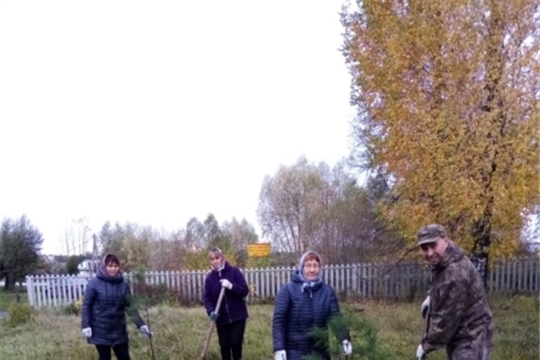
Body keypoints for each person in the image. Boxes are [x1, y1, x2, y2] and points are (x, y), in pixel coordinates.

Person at [415, 224, 494, 360]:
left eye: (433, 246)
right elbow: (439, 283)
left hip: (471, 337)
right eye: (424, 248)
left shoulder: (455, 272)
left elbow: (446, 319)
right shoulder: (444, 261)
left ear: (445, 240)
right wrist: (431, 297)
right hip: (461, 332)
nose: (429, 253)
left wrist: (426, 345)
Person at [272, 250, 352, 360]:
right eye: (308, 265)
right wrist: (279, 348)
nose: (312, 270)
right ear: (302, 267)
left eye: (315, 265)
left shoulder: (327, 291)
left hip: (320, 353)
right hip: (295, 353)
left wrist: (344, 338)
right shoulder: (288, 290)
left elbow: (336, 318)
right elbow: (279, 321)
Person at [81, 254, 152, 360]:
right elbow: (87, 305)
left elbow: (130, 308)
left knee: (124, 357)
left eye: (115, 266)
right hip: (100, 329)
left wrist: (141, 325)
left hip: (119, 329)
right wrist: (86, 325)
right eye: (110, 266)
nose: (113, 269)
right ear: (104, 267)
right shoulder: (93, 283)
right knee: (105, 358)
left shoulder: (123, 285)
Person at [203, 247, 250, 360]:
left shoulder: (234, 272)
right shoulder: (209, 279)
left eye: (217, 258)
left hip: (238, 316)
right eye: (212, 259)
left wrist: (231, 286)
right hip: (221, 318)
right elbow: (207, 298)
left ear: (222, 258)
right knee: (224, 347)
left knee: (235, 344)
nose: (215, 261)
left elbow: (244, 290)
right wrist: (211, 311)